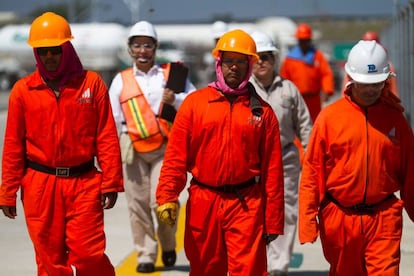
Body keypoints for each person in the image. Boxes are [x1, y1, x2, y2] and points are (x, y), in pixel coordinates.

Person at [0, 12, 123, 276]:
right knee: (49, 261)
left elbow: (106, 136)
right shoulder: (23, 91)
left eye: (55, 50)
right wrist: (7, 190)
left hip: (84, 182)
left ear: (66, 48)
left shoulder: (91, 84)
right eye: (43, 51)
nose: (49, 57)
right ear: (36, 53)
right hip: (40, 186)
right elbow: (13, 146)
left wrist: (111, 180)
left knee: (89, 255)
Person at [155, 29, 285, 275]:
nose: (233, 68)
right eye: (229, 61)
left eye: (240, 62)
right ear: (219, 63)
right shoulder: (195, 104)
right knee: (205, 268)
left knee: (249, 270)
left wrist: (273, 219)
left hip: (247, 204)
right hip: (204, 203)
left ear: (250, 65)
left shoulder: (263, 113)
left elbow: (273, 171)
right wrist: (166, 197)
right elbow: (175, 157)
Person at [298, 40, 414, 275]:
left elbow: (410, 171)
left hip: (384, 217)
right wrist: (308, 220)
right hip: (340, 218)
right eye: (365, 84)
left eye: (377, 84)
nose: (371, 90)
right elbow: (313, 172)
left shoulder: (396, 120)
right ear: (351, 79)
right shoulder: (330, 118)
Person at [108, 20, 195, 273]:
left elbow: (194, 100)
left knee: (163, 201)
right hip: (132, 148)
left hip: (164, 148)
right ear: (130, 49)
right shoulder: (120, 80)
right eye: (137, 46)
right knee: (138, 205)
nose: (142, 50)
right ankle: (146, 253)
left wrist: (176, 99)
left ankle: (168, 244)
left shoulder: (170, 74)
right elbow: (112, 118)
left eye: (147, 45)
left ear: (155, 47)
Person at [250, 30, 312, 276]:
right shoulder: (243, 91)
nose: (262, 62)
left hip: (285, 158)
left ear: (275, 59)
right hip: (252, 161)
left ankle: (279, 265)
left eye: (267, 56)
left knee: (285, 211)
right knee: (254, 212)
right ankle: (257, 262)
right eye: (257, 57)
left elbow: (305, 126)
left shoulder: (289, 89)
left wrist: (311, 160)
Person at [280, 23, 335, 122]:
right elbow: (284, 78)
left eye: (306, 40)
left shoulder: (317, 56)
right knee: (298, 124)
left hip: (314, 99)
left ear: (309, 40)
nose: (304, 43)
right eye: (301, 41)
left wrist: (327, 90)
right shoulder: (290, 58)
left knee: (315, 124)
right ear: (298, 41)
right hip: (296, 99)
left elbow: (326, 73)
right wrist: (285, 95)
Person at [342, 30, 400, 98]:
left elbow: (394, 91)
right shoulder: (355, 66)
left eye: (376, 84)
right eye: (363, 85)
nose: (370, 90)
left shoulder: (388, 67)